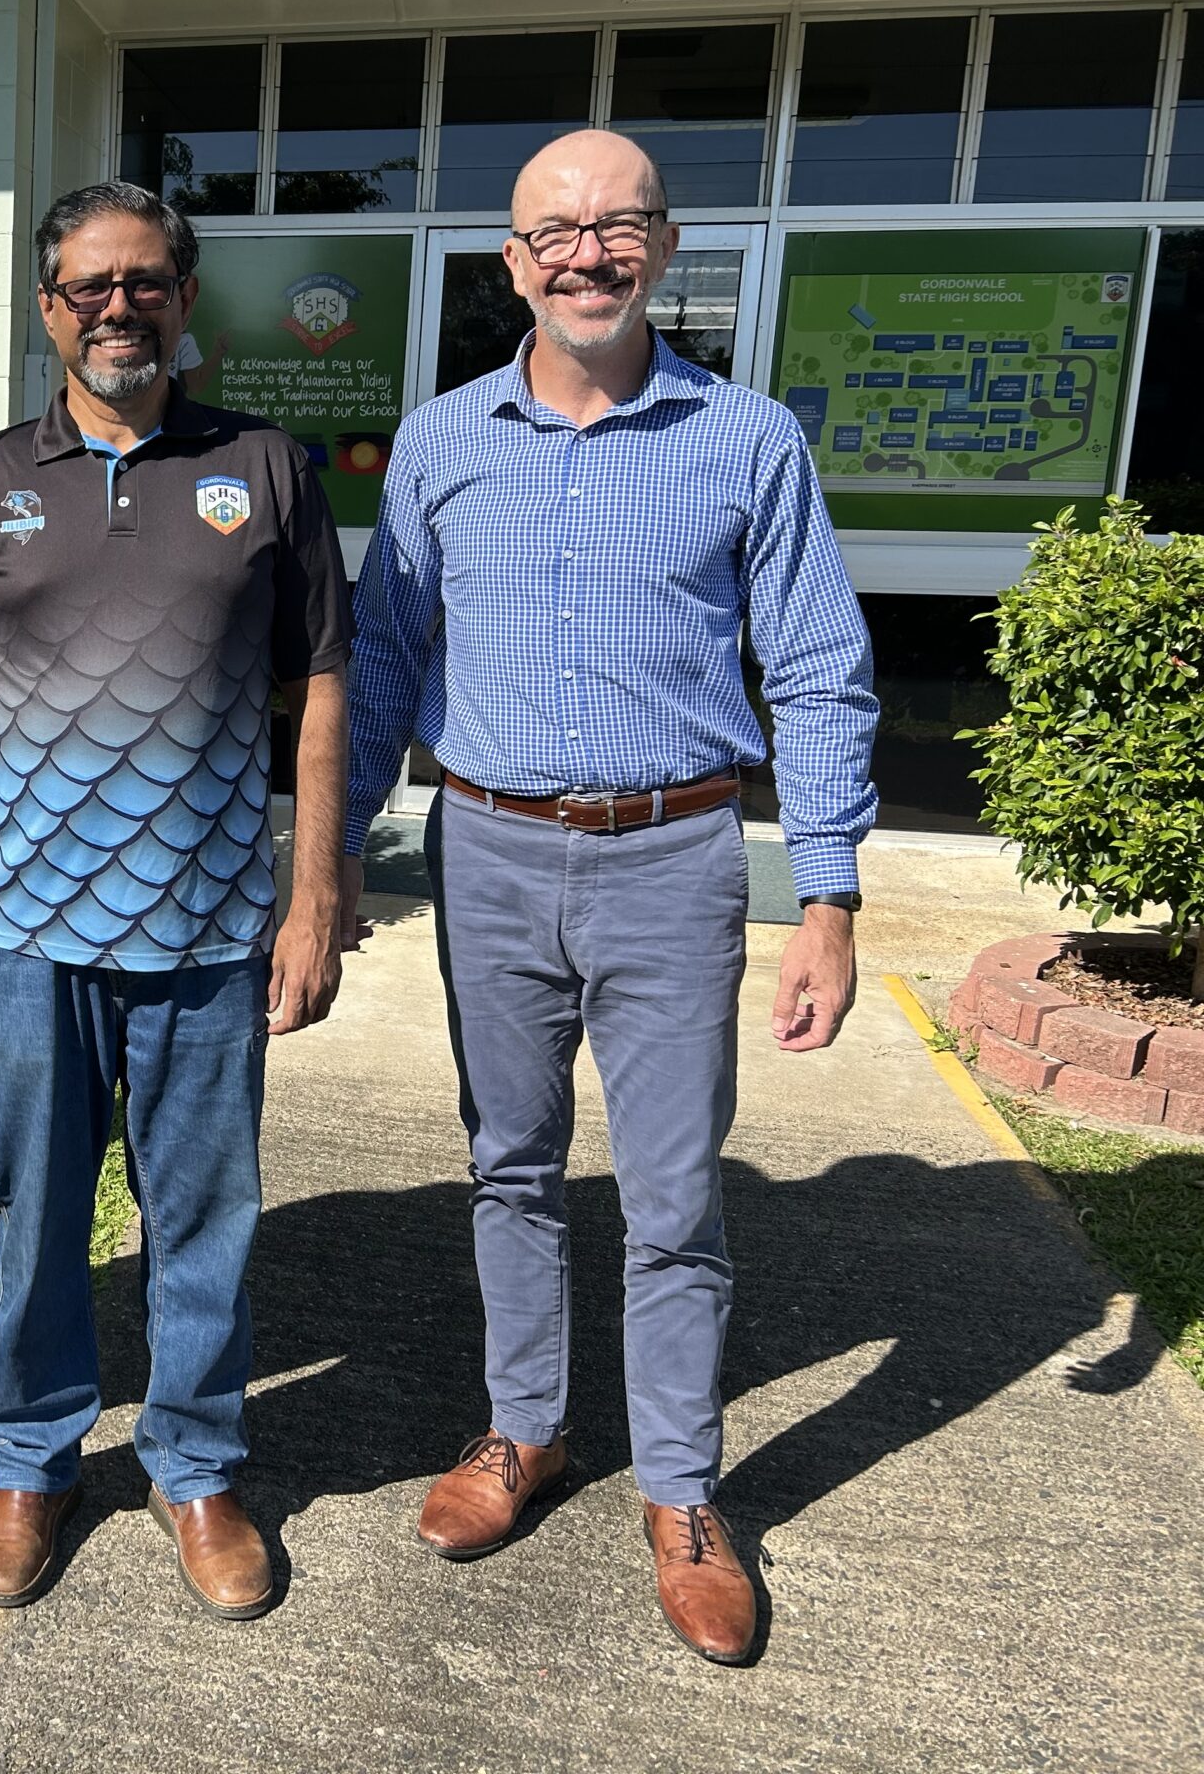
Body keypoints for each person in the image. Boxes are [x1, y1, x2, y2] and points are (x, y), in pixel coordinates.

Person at [342, 130, 878, 1666]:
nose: (587, 253)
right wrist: (324, 866)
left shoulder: (747, 440)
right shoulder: (442, 441)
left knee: (673, 1195)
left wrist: (828, 896)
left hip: (675, 858)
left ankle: (686, 1490)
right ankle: (524, 1430)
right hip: (490, 850)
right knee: (508, 1162)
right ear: (512, 264)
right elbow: (382, 668)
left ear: (665, 243)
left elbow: (825, 674)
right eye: (555, 232)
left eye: (618, 225)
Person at [0, 180, 350, 1621]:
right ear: (48, 308)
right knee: (34, 1214)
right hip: (29, 937)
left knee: (205, 1213)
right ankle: (32, 1458)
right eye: (89, 286)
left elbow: (324, 689)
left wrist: (315, 894)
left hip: (214, 932)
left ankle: (199, 1464)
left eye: (146, 282)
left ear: (184, 296)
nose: (118, 307)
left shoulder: (268, 471)